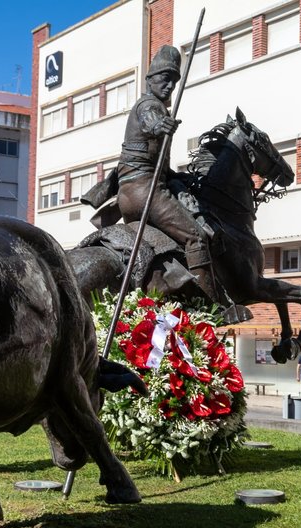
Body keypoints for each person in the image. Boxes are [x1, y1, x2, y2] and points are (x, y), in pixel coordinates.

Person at [115, 45, 240, 323]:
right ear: (149, 79)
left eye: (174, 79)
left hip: (134, 191)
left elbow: (158, 163)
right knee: (195, 236)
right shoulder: (149, 105)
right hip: (144, 190)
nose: (169, 85)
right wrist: (162, 125)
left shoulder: (156, 107)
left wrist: (181, 178)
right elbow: (151, 121)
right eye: (164, 77)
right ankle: (210, 307)